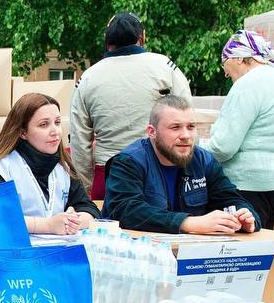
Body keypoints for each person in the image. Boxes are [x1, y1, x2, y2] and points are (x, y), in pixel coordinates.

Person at [70, 12, 192, 199]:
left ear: (107, 39)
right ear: (142, 37)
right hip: (160, 170)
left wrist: (88, 184)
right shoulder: (164, 67)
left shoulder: (88, 77)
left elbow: (79, 141)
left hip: (108, 173)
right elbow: (187, 117)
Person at [102, 95, 260, 234]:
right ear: (152, 132)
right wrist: (188, 223)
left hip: (189, 255)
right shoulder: (128, 162)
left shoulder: (205, 161)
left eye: (191, 127)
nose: (186, 135)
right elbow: (126, 211)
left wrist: (246, 217)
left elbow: (230, 199)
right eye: (175, 127)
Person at [202, 29, 274, 229]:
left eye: (224, 63)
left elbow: (223, 146)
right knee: (264, 241)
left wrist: (196, 149)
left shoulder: (247, 85)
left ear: (238, 58)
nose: (225, 71)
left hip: (248, 182)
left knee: (242, 248)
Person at [0, 92, 99, 235]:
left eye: (57, 122)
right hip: (10, 255)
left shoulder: (63, 168)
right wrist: (47, 226)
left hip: (53, 253)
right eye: (44, 124)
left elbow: (88, 208)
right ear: (23, 132)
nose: (55, 131)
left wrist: (74, 221)